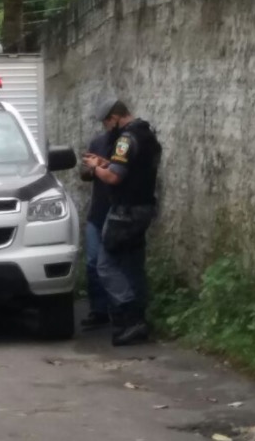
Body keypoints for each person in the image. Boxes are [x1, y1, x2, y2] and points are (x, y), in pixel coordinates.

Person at [82, 98, 161, 347]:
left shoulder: (125, 139)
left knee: (105, 265)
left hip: (125, 212)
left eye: (108, 123)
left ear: (114, 118)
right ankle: (140, 319)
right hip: (144, 207)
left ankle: (129, 315)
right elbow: (132, 169)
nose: (107, 129)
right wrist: (107, 163)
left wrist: (96, 168)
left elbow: (115, 178)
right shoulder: (146, 133)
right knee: (133, 263)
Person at [78, 129, 113, 328]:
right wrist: (92, 167)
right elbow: (84, 175)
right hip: (97, 213)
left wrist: (103, 164)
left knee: (113, 264)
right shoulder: (98, 142)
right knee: (92, 263)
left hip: (117, 212)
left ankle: (119, 309)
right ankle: (98, 310)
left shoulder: (123, 144)